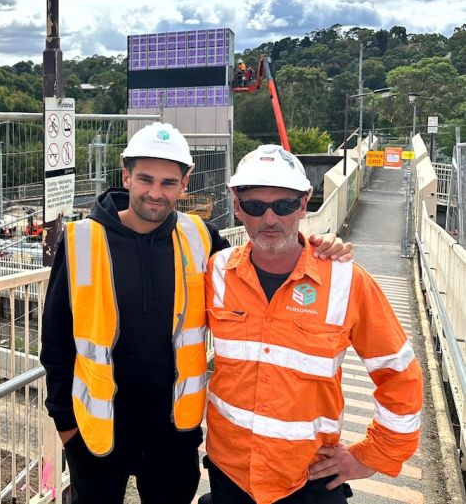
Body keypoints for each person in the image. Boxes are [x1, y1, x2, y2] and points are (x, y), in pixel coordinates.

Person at [40, 124, 350, 504]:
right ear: (126, 177)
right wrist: (66, 427)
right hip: (95, 434)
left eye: (169, 183)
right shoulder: (79, 241)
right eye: (145, 179)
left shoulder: (201, 238)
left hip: (173, 435)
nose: (156, 193)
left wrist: (314, 246)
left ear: (184, 184)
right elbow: (55, 345)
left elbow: (261, 259)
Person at [202, 145, 423, 504]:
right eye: (256, 206)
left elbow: (398, 371)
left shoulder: (347, 281)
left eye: (284, 205)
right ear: (237, 205)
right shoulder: (217, 272)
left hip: (308, 478)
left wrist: (375, 454)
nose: (270, 219)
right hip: (230, 473)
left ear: (305, 204)